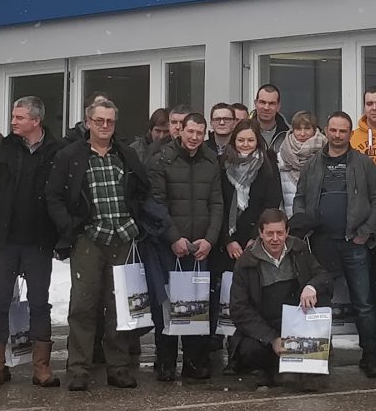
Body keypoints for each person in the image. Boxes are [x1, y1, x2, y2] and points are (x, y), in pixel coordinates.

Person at [46, 96, 158, 391]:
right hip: (89, 239)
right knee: (83, 305)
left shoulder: (125, 154)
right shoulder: (70, 156)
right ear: (88, 123)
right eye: (99, 120)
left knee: (119, 306)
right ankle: (79, 368)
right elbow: (54, 196)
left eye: (110, 121)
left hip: (123, 237)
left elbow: (143, 190)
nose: (105, 126)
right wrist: (70, 226)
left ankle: (118, 366)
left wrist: (136, 222)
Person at [0, 95, 63, 389]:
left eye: (19, 117)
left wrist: (61, 235)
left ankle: (41, 367)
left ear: (36, 120)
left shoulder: (56, 150)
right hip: (3, 240)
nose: (13, 122)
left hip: (38, 241)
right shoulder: (1, 149)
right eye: (13, 116)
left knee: (39, 303)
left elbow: (62, 194)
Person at [290, 112, 376, 378]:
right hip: (320, 244)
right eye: (333, 130)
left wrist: (366, 232)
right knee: (320, 302)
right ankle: (318, 356)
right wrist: (304, 225)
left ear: (350, 133)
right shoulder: (312, 164)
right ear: (326, 130)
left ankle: (372, 356)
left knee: (364, 303)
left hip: (354, 243)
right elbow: (299, 198)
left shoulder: (363, 163)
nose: (337, 135)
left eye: (343, 131)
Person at [149, 112, 225, 382]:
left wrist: (210, 239)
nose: (194, 137)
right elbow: (156, 203)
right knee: (168, 305)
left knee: (196, 304)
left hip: (200, 246)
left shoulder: (211, 161)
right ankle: (165, 361)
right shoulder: (162, 159)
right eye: (190, 131)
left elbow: (217, 204)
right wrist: (173, 237)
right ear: (180, 130)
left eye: (199, 133)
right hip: (169, 246)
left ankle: (194, 362)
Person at [227, 210, 336, 389]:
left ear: (287, 232)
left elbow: (324, 277)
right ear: (261, 233)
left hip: (296, 326)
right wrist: (272, 339)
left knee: (321, 296)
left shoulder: (299, 250)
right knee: (248, 349)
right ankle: (270, 368)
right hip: (266, 326)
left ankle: (304, 367)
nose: (275, 239)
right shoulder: (245, 262)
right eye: (270, 233)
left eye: (280, 233)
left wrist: (311, 287)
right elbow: (239, 309)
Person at [220, 121, 288, 264]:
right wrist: (228, 240)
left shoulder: (268, 164)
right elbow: (218, 203)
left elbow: (272, 202)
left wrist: (255, 237)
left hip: (257, 237)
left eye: (250, 140)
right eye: (241, 140)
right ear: (234, 140)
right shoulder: (222, 163)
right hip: (226, 239)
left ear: (258, 141)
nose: (245, 144)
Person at [276, 111, 327, 218]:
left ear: (314, 130)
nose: (302, 134)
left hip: (319, 217)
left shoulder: (326, 154)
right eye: (298, 129)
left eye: (307, 129)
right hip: (289, 218)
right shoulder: (282, 156)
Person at [250, 84, 291, 153]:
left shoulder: (289, 135)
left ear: (278, 106)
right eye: (262, 102)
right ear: (255, 103)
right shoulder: (243, 132)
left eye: (271, 103)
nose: (266, 108)